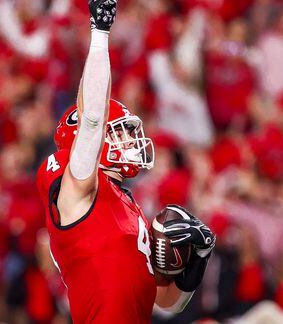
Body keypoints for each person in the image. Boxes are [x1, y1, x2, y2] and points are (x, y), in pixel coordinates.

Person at [36, 1, 216, 323]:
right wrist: (100, 34)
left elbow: (167, 303)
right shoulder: (75, 192)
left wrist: (197, 261)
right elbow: (91, 120)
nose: (131, 140)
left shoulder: (127, 204)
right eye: (120, 133)